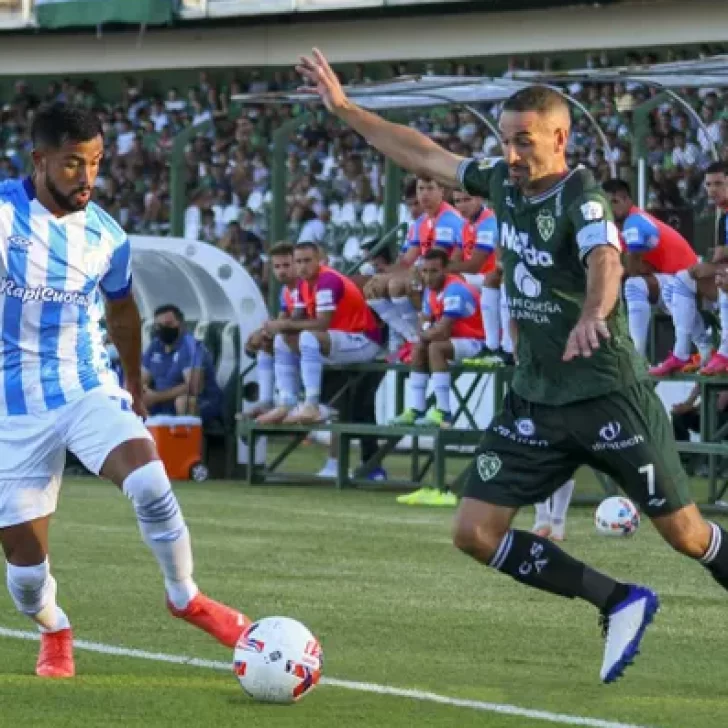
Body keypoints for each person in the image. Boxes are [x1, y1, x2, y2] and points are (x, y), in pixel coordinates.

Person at [297, 48, 728, 684]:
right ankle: (619, 600)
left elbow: (604, 261)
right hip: (535, 398)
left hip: (608, 395)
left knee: (688, 535)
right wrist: (346, 108)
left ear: (561, 137)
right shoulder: (501, 181)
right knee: (474, 531)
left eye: (524, 141)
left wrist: (593, 313)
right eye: (505, 140)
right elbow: (424, 154)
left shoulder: (581, 198)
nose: (512, 153)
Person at [0, 104, 250, 678]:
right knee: (27, 577)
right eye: (71, 164)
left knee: (151, 480)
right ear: (39, 161)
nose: (86, 178)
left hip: (84, 386)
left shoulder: (106, 236)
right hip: (12, 410)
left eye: (94, 163)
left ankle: (184, 594)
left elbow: (122, 311)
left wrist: (133, 385)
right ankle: (55, 628)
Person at [259, 242, 383, 425]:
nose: (302, 266)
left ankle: (312, 404)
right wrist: (275, 327)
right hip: (339, 341)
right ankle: (287, 401)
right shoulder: (303, 283)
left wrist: (283, 324)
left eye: (307, 260)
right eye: (298, 261)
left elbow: (322, 323)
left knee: (307, 336)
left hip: (364, 341)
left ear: (319, 260)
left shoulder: (327, 280)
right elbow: (296, 318)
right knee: (281, 340)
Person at [364, 176, 464, 363]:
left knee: (398, 285)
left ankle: (421, 337)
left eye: (429, 188)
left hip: (448, 274)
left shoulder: (449, 218)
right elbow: (407, 260)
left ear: (442, 191)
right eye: (421, 189)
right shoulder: (421, 222)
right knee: (372, 288)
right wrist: (382, 273)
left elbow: (438, 260)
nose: (424, 194)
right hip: (424, 270)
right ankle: (411, 338)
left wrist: (400, 274)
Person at [602, 179, 702, 363]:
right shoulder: (620, 226)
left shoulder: (635, 221)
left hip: (687, 280)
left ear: (627, 200)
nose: (609, 207)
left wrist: (633, 268)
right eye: (605, 203)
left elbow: (630, 270)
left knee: (633, 285)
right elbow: (627, 266)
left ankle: (637, 355)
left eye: (614, 202)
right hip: (668, 281)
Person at [391, 247, 484, 430]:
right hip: (454, 341)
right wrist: (423, 335)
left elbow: (441, 331)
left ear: (446, 269)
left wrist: (424, 334)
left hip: (476, 342)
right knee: (420, 347)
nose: (428, 277)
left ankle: (444, 411)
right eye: (424, 271)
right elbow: (424, 322)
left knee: (435, 347)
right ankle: (417, 408)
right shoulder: (430, 291)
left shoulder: (455, 289)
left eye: (434, 271)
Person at [651, 163, 728, 375]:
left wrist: (716, 264)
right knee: (680, 281)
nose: (712, 190)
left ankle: (724, 354)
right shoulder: (722, 216)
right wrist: (709, 266)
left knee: (723, 278)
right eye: (709, 185)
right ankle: (690, 351)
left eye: (719, 183)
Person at [143, 304, 223, 425]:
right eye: (158, 326)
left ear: (181, 324)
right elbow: (142, 378)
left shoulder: (191, 347)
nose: (163, 328)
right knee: (133, 399)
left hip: (202, 401)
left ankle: (187, 442)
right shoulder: (155, 345)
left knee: (184, 402)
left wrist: (155, 397)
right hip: (163, 402)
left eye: (168, 324)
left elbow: (193, 387)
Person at [244, 241, 297, 418]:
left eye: (286, 265)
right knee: (265, 342)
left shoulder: (305, 287)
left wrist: (272, 331)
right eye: (277, 266)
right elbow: (283, 318)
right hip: (295, 341)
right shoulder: (285, 291)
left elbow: (300, 320)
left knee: (276, 340)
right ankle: (266, 402)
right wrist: (265, 332)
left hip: (314, 342)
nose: (282, 271)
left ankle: (286, 402)